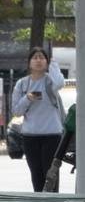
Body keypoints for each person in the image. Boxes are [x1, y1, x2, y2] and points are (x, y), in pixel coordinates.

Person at [11, 47, 65, 192]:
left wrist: (54, 65)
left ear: (46, 62)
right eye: (35, 58)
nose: (39, 60)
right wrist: (27, 98)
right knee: (36, 175)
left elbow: (60, 83)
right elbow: (16, 111)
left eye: (42, 57)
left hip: (52, 135)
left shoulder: (50, 82)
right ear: (29, 63)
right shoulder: (22, 84)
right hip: (30, 136)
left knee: (51, 175)